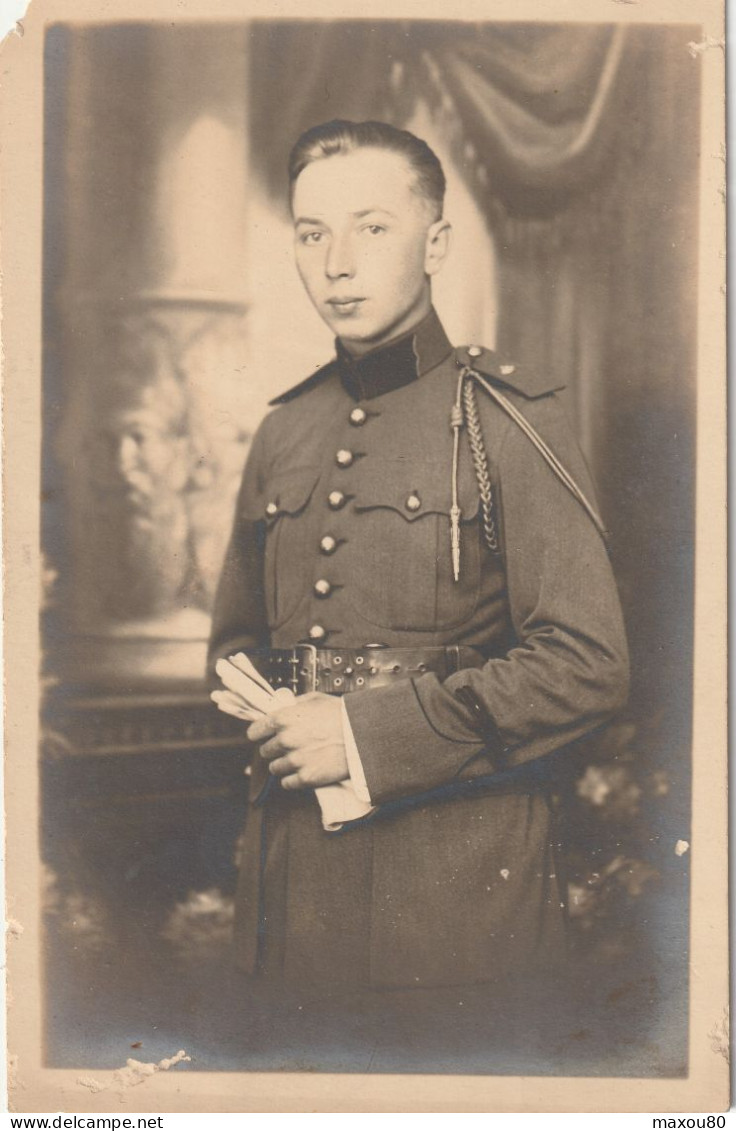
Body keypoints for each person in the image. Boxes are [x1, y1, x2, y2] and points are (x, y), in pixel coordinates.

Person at [208, 120, 629, 1046]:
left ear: (436, 243)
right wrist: (278, 713)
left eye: (372, 227)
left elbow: (589, 663)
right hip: (288, 918)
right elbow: (236, 644)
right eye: (312, 233)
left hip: (455, 919)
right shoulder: (285, 430)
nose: (338, 263)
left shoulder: (505, 418)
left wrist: (360, 735)